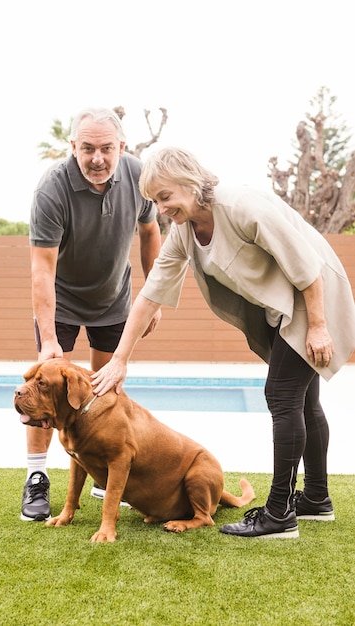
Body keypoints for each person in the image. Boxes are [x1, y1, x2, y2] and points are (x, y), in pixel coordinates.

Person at [91, 146, 355, 539]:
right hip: (283, 308)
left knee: (282, 396)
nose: (161, 209)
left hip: (315, 297)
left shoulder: (243, 206)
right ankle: (316, 499)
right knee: (305, 401)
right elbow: (150, 295)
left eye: (165, 197)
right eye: (155, 202)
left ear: (190, 183)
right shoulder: (183, 231)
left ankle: (280, 514)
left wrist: (318, 326)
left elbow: (306, 265)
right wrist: (120, 360)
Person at [21, 107, 162, 521]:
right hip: (61, 301)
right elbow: (42, 269)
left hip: (114, 300)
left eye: (105, 148)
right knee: (42, 390)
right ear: (73, 148)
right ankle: (36, 478)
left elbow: (151, 230)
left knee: (104, 393)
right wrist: (49, 340)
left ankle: (101, 471)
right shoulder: (52, 189)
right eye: (87, 149)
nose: (96, 158)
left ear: (121, 147)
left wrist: (149, 299)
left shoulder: (138, 177)